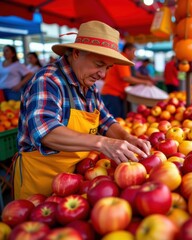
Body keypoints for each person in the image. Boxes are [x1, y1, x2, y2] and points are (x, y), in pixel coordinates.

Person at [14, 21, 151, 200]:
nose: (103, 74)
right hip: (40, 185)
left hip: (76, 180)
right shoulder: (48, 81)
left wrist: (127, 137)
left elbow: (105, 120)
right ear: (77, 53)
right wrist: (102, 143)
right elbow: (46, 131)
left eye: (108, 68)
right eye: (99, 64)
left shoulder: (89, 85)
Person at [101, 43, 153, 118]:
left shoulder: (123, 59)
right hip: (112, 94)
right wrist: (145, 82)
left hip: (115, 94)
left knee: (118, 119)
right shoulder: (122, 59)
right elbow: (126, 78)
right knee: (114, 120)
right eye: (134, 52)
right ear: (127, 51)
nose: (134, 55)